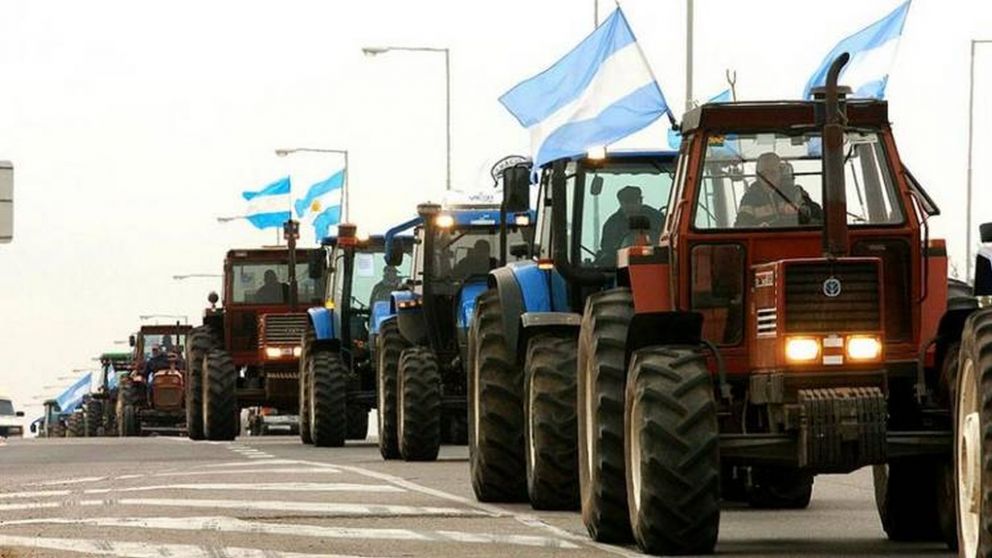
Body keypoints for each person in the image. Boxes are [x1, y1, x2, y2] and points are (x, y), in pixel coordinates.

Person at [597, 185, 665, 266]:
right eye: (625, 203)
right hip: (621, 267)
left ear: (640, 200)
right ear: (620, 203)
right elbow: (607, 248)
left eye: (633, 202)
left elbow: (665, 241)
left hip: (655, 263)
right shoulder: (612, 224)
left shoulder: (656, 218)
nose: (629, 206)